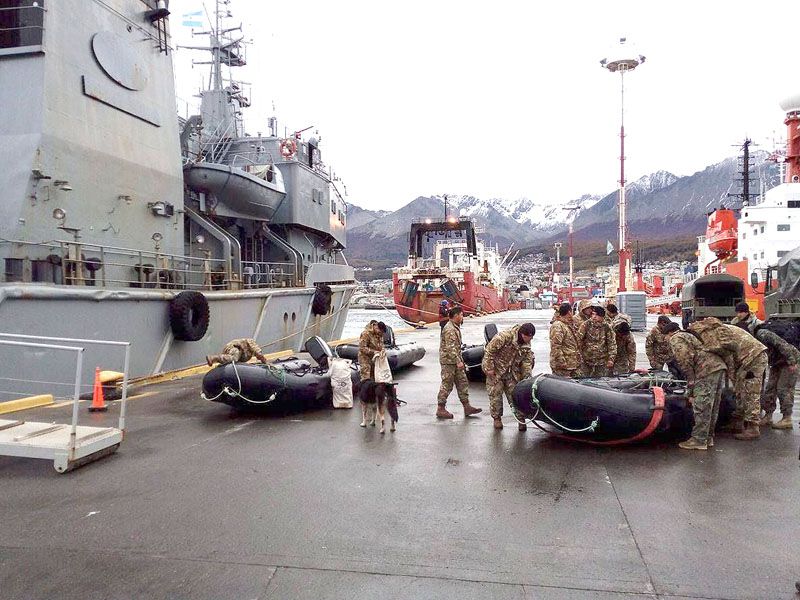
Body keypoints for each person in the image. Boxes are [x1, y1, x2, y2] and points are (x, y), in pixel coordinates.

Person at [689, 317, 768, 440]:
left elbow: (729, 357)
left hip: (753, 357)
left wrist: (732, 377)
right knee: (740, 391)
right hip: (745, 358)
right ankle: (738, 421)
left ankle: (753, 427)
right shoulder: (717, 330)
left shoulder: (719, 334)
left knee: (750, 392)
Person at [664, 322, 727, 450]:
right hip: (717, 366)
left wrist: (690, 380)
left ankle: (699, 439)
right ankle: (707, 437)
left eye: (664, 336)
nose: (665, 339)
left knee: (701, 405)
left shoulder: (676, 338)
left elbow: (684, 359)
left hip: (705, 369)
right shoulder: (688, 335)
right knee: (712, 405)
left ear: (669, 333)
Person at [746, 323, 799, 429]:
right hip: (777, 361)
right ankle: (768, 415)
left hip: (789, 359)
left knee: (784, 389)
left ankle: (787, 418)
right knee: (770, 388)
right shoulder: (755, 339)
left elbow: (782, 344)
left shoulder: (763, 333)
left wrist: (792, 362)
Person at [482, 322, 535, 430]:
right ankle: (497, 418)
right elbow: (489, 351)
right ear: (523, 334)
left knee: (515, 396)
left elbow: (527, 361)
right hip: (496, 371)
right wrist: (489, 368)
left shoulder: (526, 344)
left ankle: (520, 419)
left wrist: (527, 377)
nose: (531, 340)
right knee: (495, 396)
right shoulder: (504, 337)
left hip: (512, 373)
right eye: (529, 337)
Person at [437, 307, 482, 419]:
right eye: (461, 315)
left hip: (455, 360)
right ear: (456, 315)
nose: (462, 317)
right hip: (449, 362)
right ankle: (440, 408)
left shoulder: (454, 327)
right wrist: (458, 361)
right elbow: (450, 348)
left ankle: (467, 406)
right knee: (447, 384)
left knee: (462, 382)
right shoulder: (450, 329)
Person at [577, 306, 616, 377]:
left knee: (600, 380)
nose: (594, 317)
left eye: (597, 315)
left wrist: (611, 359)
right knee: (584, 380)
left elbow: (612, 343)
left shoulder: (607, 327)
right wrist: (578, 355)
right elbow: (578, 340)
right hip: (586, 360)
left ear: (602, 316)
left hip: (601, 362)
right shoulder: (586, 325)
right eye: (593, 314)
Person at [549, 302, 580, 377]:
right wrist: (562, 363)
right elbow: (555, 346)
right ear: (569, 312)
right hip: (563, 367)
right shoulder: (558, 326)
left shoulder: (567, 324)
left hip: (570, 365)